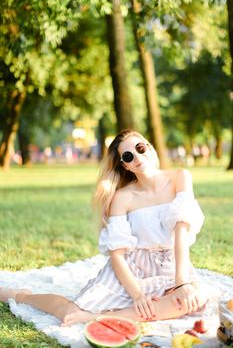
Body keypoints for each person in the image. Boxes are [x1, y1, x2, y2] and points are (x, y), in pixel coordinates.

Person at [0, 130, 209, 327]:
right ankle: (22, 295)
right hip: (132, 267)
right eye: (128, 156)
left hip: (172, 264)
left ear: (150, 148)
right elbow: (117, 254)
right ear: (125, 166)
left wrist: (182, 283)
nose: (136, 156)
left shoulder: (180, 177)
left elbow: (181, 233)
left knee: (191, 301)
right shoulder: (122, 197)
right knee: (70, 312)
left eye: (140, 148)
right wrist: (137, 295)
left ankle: (95, 318)